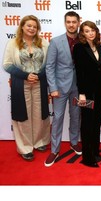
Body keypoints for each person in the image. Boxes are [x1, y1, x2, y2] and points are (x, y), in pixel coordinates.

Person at [2, 15, 50, 161]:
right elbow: (7, 64)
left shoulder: (44, 43)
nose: (31, 28)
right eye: (29, 25)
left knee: (39, 113)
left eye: (34, 27)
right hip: (21, 84)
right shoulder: (13, 44)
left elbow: (49, 64)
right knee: (23, 116)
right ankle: (25, 147)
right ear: (22, 26)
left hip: (39, 83)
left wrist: (38, 75)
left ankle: (40, 142)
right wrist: (25, 76)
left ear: (38, 29)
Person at [44, 11, 82, 167]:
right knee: (58, 118)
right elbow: (49, 66)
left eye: (74, 22)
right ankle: (54, 150)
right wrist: (52, 87)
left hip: (78, 87)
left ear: (79, 22)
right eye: (69, 22)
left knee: (76, 115)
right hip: (59, 88)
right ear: (65, 23)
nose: (71, 24)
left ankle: (74, 142)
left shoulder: (83, 40)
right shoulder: (55, 42)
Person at [72, 21, 101, 168]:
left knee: (96, 121)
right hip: (86, 92)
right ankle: (87, 157)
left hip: (99, 90)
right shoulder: (79, 47)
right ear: (82, 33)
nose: (90, 33)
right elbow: (79, 72)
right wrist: (82, 93)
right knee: (87, 123)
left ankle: (95, 151)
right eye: (87, 31)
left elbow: (100, 67)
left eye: (92, 30)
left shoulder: (98, 46)